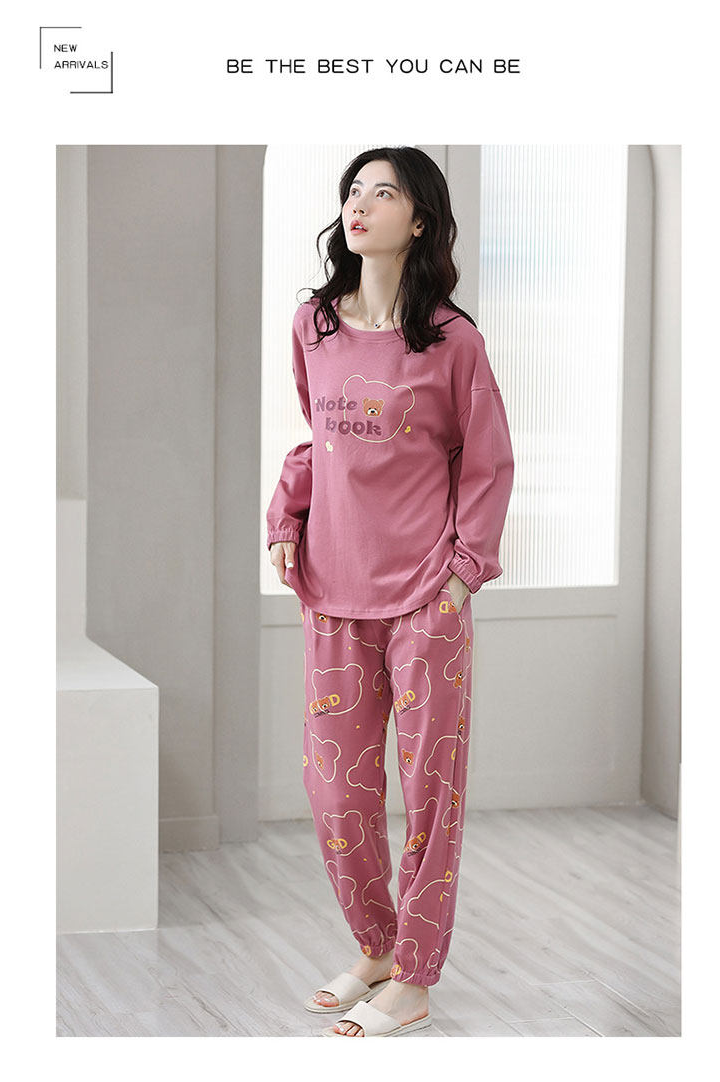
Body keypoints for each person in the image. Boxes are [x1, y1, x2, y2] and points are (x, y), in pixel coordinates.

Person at [266, 146, 514, 1037]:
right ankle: (376, 946)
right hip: (332, 589)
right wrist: (286, 513)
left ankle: (413, 977)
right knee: (338, 792)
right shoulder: (314, 325)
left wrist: (462, 576)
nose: (359, 204)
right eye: (353, 190)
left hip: (424, 597)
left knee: (429, 794)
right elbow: (316, 438)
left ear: (420, 220)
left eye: (384, 191)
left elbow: (487, 462)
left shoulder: (454, 342)